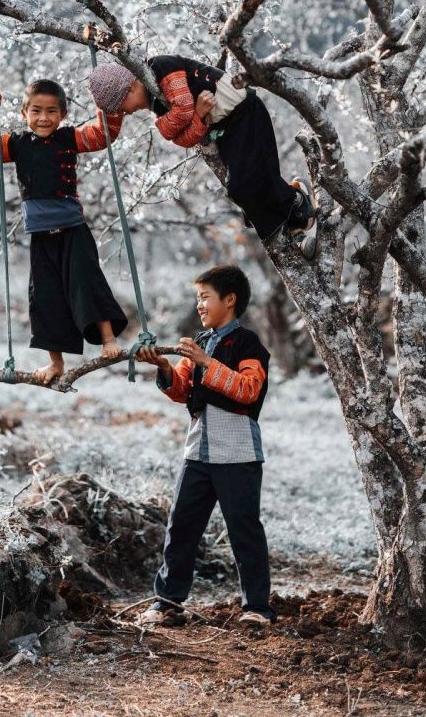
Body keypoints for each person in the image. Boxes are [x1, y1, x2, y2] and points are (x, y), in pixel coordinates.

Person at [136, 264, 275, 627]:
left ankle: (257, 608)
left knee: (244, 529)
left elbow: (248, 390)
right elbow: (182, 389)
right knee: (180, 526)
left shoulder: (248, 344)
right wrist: (165, 368)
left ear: (229, 300)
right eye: (197, 298)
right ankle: (167, 601)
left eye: (204, 297)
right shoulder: (198, 343)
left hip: (238, 453)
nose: (199, 305)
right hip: (197, 451)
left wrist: (206, 362)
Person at [0, 78, 128, 384]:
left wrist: (104, 105)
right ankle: (55, 363)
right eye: (37, 111)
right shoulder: (16, 143)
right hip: (41, 235)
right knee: (45, 297)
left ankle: (109, 339)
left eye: (52, 111)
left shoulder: (68, 139)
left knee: (86, 282)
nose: (44, 118)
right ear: (23, 112)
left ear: (64, 114)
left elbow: (100, 135)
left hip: (73, 229)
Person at [88, 55, 317, 255]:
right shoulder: (155, 99)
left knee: (249, 182)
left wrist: (188, 117)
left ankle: (296, 199)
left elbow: (183, 111)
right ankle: (296, 230)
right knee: (240, 190)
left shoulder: (161, 67)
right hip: (225, 127)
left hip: (244, 113)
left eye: (120, 106)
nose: (124, 112)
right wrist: (193, 118)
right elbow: (184, 138)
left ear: (128, 88)